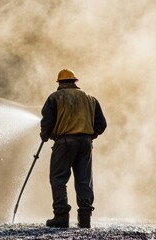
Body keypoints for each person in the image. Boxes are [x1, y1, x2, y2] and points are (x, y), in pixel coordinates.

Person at [40, 69, 107, 228]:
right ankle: (85, 219)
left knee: (58, 179)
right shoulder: (90, 98)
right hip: (85, 143)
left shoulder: (55, 97)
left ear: (59, 83)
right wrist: (91, 135)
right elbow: (101, 125)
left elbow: (47, 122)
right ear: (75, 81)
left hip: (64, 142)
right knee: (84, 180)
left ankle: (61, 217)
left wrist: (44, 135)